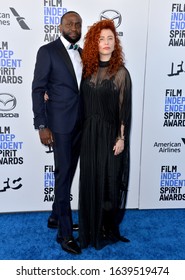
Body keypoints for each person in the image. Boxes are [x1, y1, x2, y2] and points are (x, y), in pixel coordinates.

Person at [32, 11, 83, 255]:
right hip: (59, 126)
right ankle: (64, 234)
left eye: (77, 24)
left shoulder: (82, 53)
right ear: (60, 26)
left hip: (80, 125)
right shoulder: (47, 51)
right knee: (63, 178)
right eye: (69, 23)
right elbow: (38, 89)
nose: (74, 27)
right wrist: (42, 125)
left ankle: (55, 216)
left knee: (68, 173)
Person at [78, 19, 132, 250]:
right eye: (101, 39)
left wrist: (121, 138)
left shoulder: (120, 73)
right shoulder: (87, 71)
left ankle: (106, 228)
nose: (106, 42)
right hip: (88, 136)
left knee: (109, 181)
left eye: (110, 38)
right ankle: (90, 227)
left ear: (115, 43)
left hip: (110, 136)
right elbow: (77, 101)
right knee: (90, 179)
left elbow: (124, 109)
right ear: (94, 43)